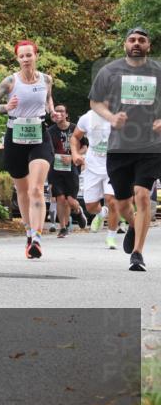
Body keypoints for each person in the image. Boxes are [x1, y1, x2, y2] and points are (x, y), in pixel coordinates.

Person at [88, 26, 161, 272]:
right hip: (120, 146)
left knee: (142, 195)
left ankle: (137, 254)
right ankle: (132, 224)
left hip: (151, 145)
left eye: (141, 40)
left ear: (148, 46)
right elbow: (95, 101)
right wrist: (111, 117)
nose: (136, 43)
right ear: (125, 45)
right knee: (121, 204)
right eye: (132, 40)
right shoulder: (110, 71)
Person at [0, 40, 57, 259]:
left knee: (36, 188)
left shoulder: (46, 79)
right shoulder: (10, 82)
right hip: (15, 137)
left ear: (36, 56)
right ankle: (28, 232)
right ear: (17, 59)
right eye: (21, 56)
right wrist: (5, 107)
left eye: (29, 55)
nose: (25, 59)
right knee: (23, 190)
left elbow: (48, 100)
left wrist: (52, 111)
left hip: (39, 136)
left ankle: (37, 238)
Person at [71, 107, 120, 249]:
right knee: (90, 206)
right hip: (92, 167)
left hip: (113, 166)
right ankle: (101, 213)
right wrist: (75, 154)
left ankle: (111, 237)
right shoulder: (87, 117)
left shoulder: (120, 116)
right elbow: (75, 137)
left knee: (112, 201)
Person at [46, 104, 87, 237]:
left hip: (72, 168)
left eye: (61, 111)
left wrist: (73, 156)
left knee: (70, 200)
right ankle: (63, 227)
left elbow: (85, 147)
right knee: (60, 198)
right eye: (56, 111)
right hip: (55, 169)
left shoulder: (75, 129)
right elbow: (46, 149)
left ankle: (78, 211)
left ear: (66, 114)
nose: (59, 113)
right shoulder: (50, 131)